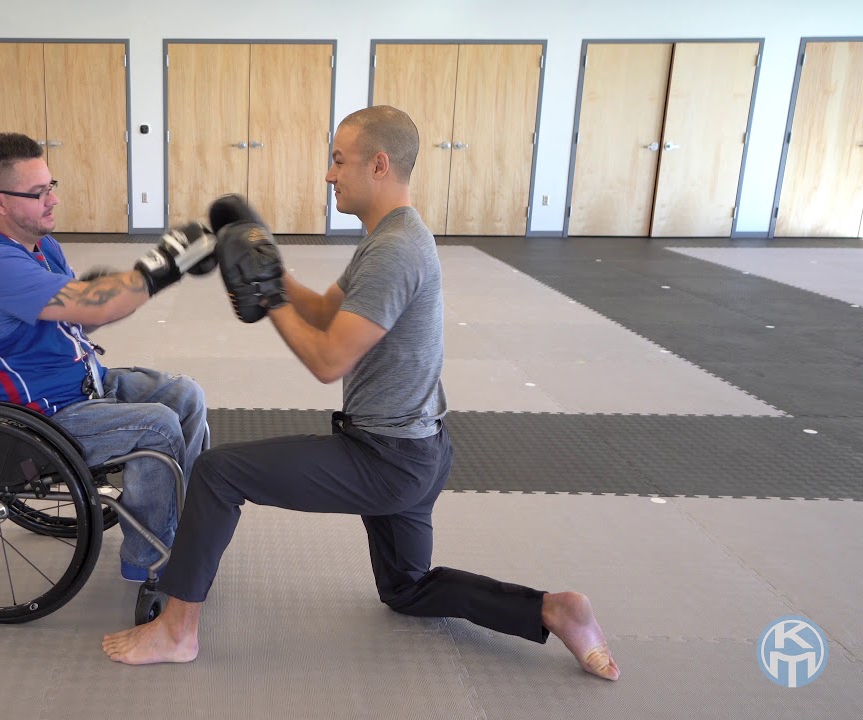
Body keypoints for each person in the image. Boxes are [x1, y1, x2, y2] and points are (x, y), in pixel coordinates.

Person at [100, 107, 620, 681]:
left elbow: (328, 359)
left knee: (219, 474)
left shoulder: (395, 251)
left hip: (385, 460)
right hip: (421, 449)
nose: (330, 175)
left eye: (339, 161)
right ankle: (553, 608)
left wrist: (266, 295)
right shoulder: (391, 236)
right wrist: (269, 265)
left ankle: (177, 630)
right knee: (406, 588)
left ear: (379, 164)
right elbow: (326, 311)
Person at [0, 132, 216, 581]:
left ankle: (179, 525)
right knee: (156, 426)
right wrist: (168, 262)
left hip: (78, 386)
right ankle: (151, 562)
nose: (54, 200)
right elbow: (100, 306)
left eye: (51, 186)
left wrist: (91, 300)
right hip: (30, 420)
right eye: (38, 193)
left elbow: (80, 322)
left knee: (184, 395)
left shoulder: (41, 247)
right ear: (0, 202)